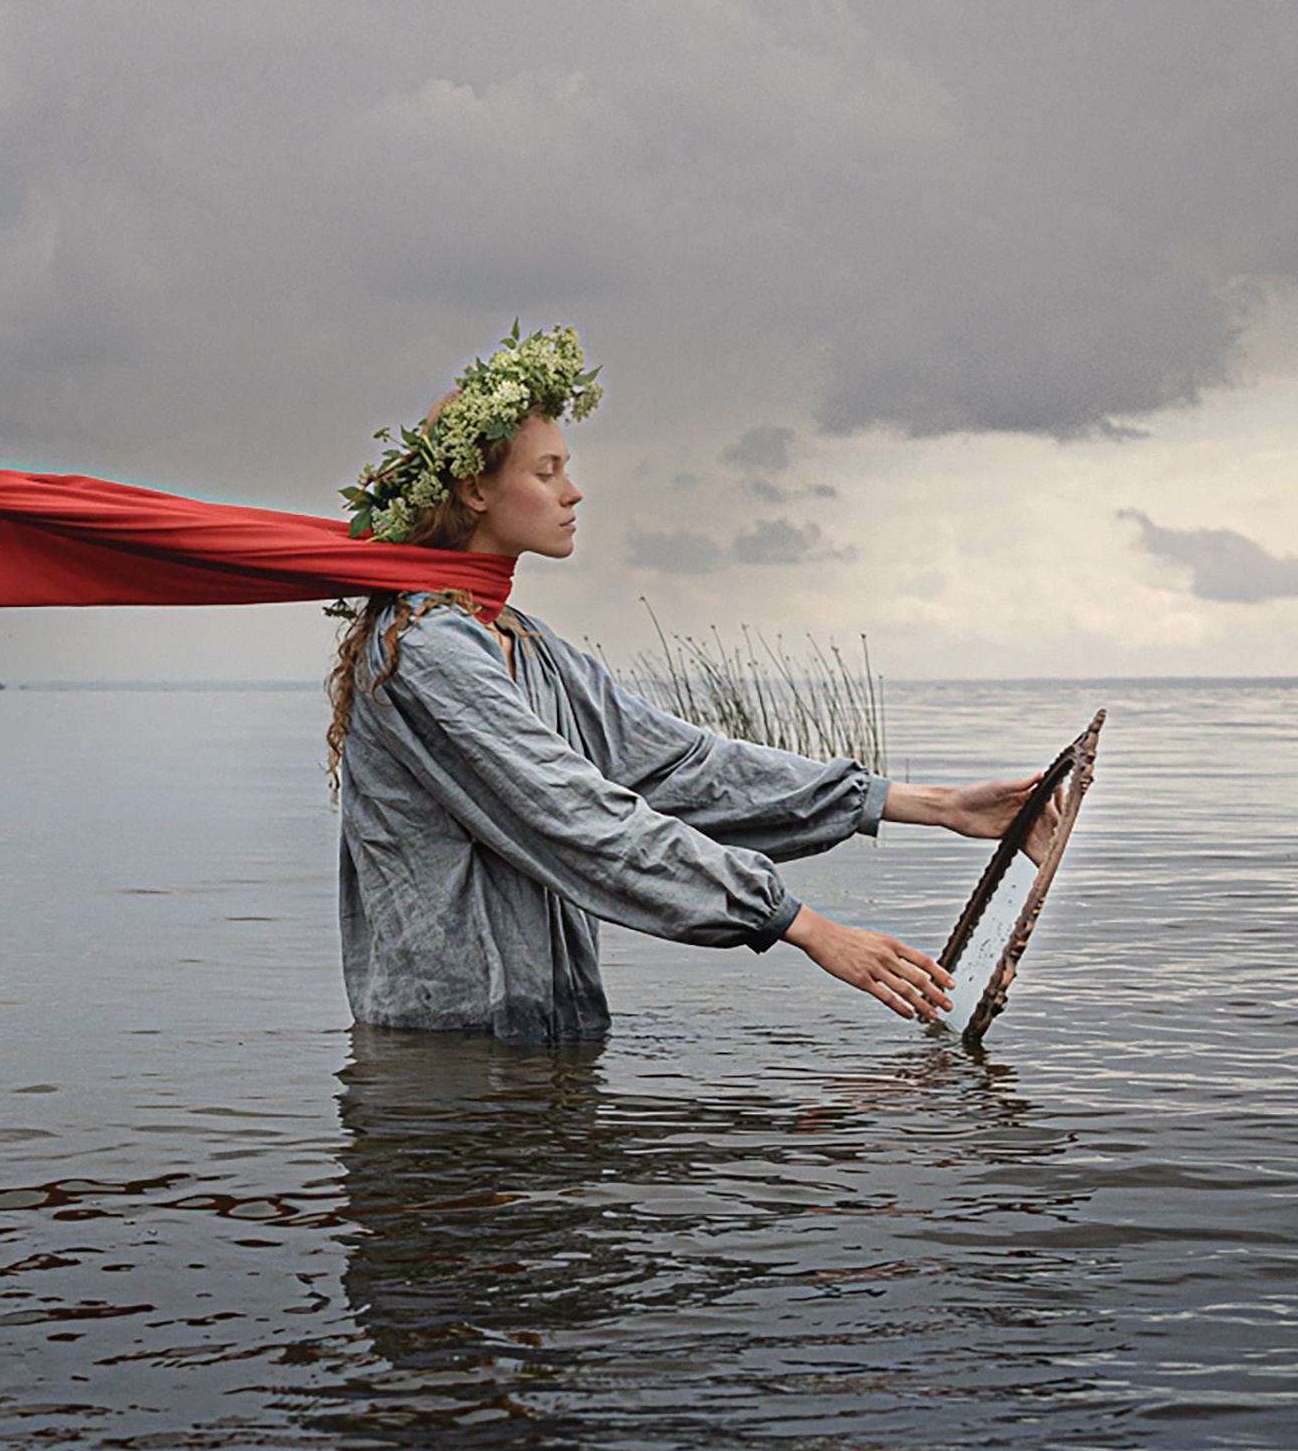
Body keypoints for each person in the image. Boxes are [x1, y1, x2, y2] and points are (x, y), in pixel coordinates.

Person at [328, 328, 1031, 1050]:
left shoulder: (525, 643)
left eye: (567, 468)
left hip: (543, 1034)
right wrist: (801, 925)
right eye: (546, 472)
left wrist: (933, 805)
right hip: (443, 1056)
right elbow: (576, 815)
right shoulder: (424, 650)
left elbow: (684, 767)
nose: (572, 491)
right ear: (475, 489)